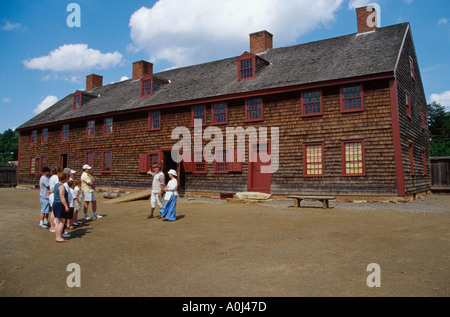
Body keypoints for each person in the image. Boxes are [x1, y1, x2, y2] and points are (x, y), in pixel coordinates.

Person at [52, 172, 70, 243]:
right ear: (64, 178)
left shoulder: (56, 185)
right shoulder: (61, 186)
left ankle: (57, 236)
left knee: (57, 221)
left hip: (55, 203)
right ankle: (59, 237)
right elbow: (62, 197)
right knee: (62, 221)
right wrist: (66, 206)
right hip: (60, 204)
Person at [48, 167, 61, 233]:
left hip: (51, 195)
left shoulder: (51, 177)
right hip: (54, 195)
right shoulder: (56, 177)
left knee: (53, 210)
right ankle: (53, 226)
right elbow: (57, 186)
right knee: (54, 211)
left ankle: (52, 226)